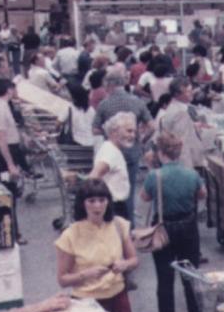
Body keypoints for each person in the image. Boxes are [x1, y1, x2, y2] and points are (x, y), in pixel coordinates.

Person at [139, 131, 207, 312]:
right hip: (188, 227)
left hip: (163, 228)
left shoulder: (154, 176)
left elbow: (144, 197)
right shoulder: (192, 174)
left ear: (160, 152)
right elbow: (202, 194)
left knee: (165, 277)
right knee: (190, 275)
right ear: (179, 151)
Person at [55, 178, 139, 312]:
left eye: (102, 200)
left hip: (119, 298)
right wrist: (85, 274)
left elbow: (134, 260)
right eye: (92, 201)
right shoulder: (71, 235)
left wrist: (125, 264)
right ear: (83, 203)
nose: (97, 206)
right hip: (87, 302)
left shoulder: (119, 225)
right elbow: (62, 279)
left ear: (108, 201)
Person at [93, 69, 155, 226]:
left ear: (109, 85)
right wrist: (140, 140)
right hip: (132, 152)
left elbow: (94, 129)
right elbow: (152, 126)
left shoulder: (104, 104)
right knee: (129, 189)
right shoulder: (137, 102)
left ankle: (114, 223)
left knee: (112, 190)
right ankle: (129, 225)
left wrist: (109, 134)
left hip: (112, 152)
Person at [0, 78, 34, 186]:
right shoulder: (0, 109)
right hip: (4, 152)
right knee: (8, 185)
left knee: (9, 185)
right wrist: (10, 164)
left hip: (5, 150)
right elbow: (1, 137)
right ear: (9, 90)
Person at [89, 112, 137, 222]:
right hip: (113, 208)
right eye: (129, 131)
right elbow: (93, 177)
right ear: (114, 132)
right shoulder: (110, 152)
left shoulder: (112, 149)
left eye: (134, 132)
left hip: (115, 206)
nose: (133, 135)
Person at [156, 77, 207, 171]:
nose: (192, 93)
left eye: (191, 90)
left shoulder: (174, 108)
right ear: (177, 94)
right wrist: (187, 171)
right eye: (188, 91)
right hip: (183, 164)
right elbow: (182, 145)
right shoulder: (180, 113)